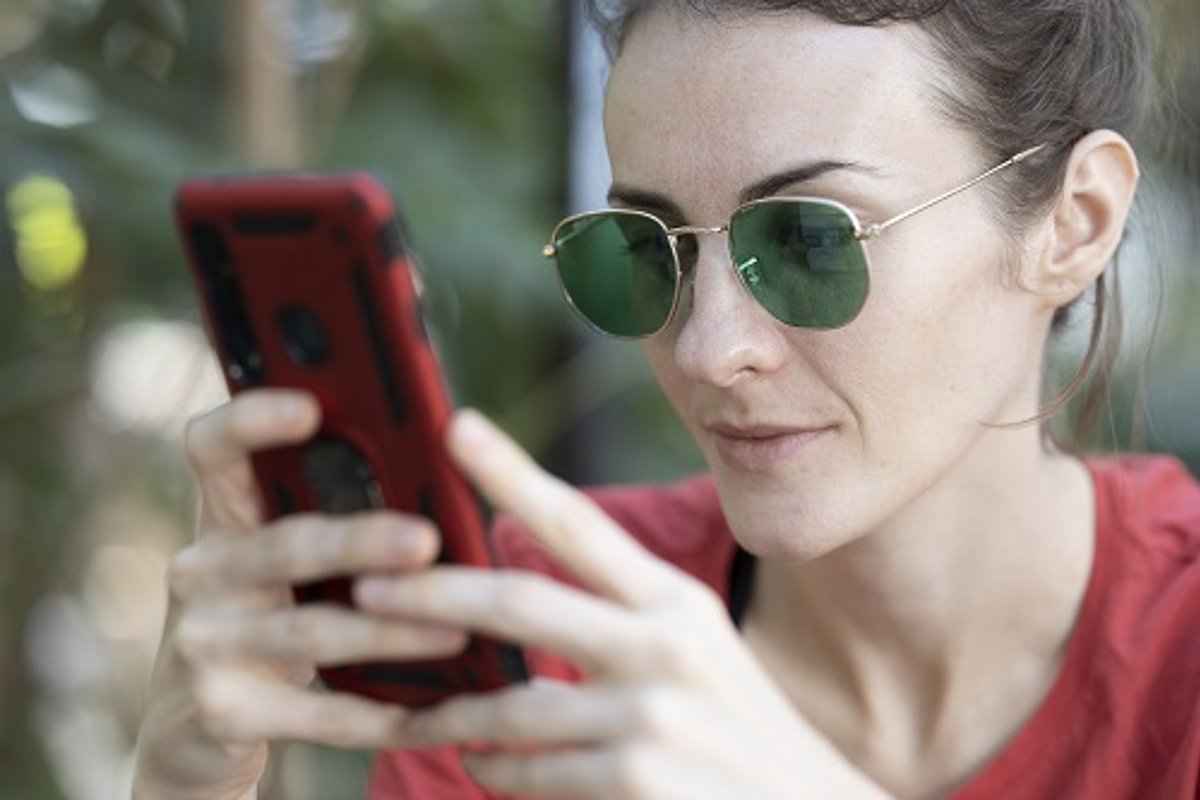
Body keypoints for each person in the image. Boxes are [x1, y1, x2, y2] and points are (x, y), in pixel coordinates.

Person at [132, 1, 1200, 798]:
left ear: (1075, 220)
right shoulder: (547, 633)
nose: (707, 344)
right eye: (642, 251)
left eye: (809, 238)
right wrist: (186, 783)